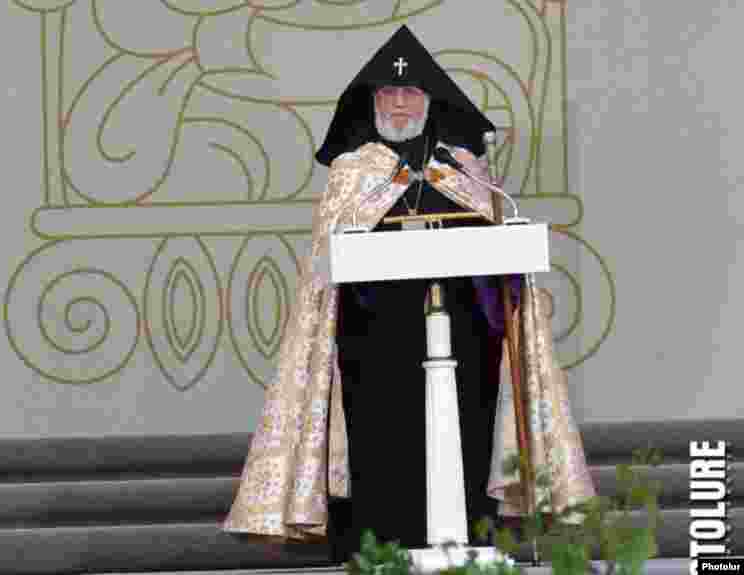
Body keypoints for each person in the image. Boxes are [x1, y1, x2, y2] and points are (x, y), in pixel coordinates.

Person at [222, 25, 595, 560]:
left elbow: (495, 247)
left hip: (466, 341)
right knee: (384, 448)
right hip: (375, 344)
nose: (399, 102)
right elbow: (331, 260)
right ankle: (379, 551)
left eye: (411, 92)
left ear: (430, 100)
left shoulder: (464, 168)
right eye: (388, 93)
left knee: (465, 440)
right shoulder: (353, 171)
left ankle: (467, 542)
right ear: (371, 102)